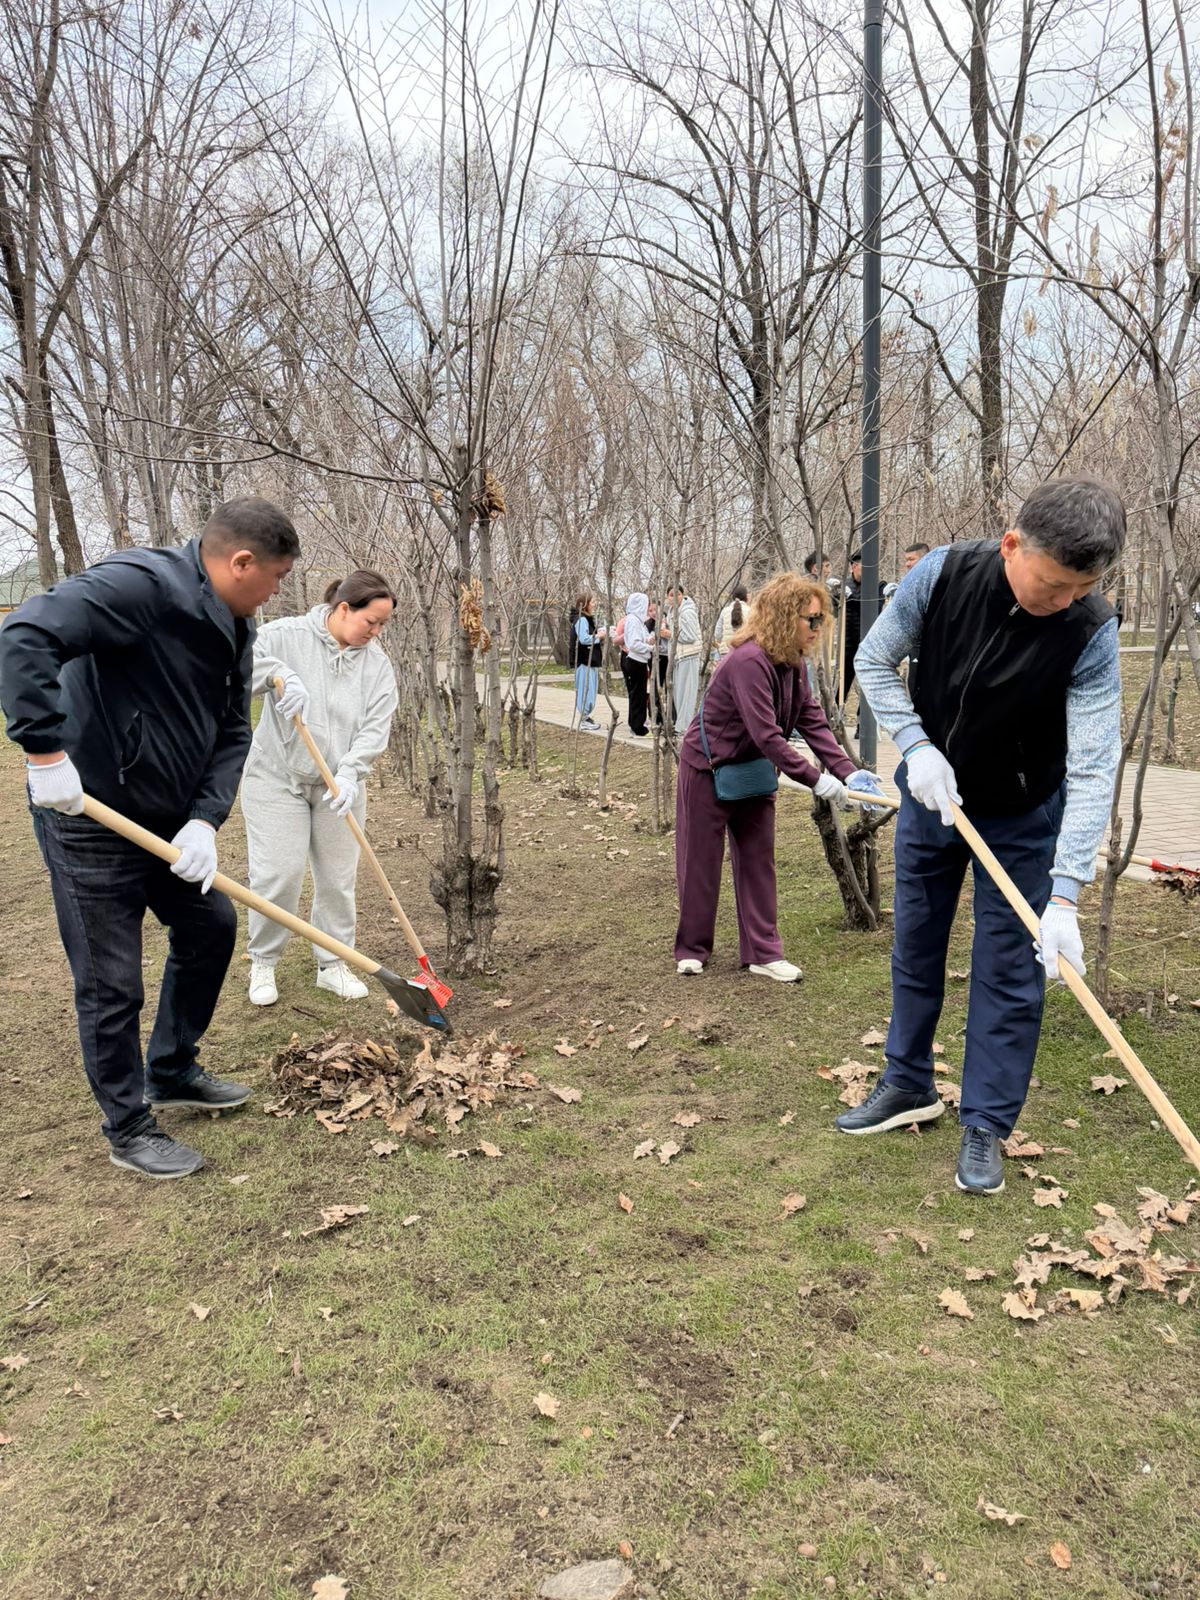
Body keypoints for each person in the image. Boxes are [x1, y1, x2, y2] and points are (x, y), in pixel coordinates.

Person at [838, 476, 1126, 1198]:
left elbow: (1093, 764)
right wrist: (913, 744)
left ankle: (988, 1122)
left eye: (1078, 589)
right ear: (1011, 546)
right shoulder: (940, 574)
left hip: (1023, 815)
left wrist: (1065, 896)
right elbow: (872, 661)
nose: (1062, 601)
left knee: (1008, 970)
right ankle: (907, 1084)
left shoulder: (1090, 631)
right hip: (934, 797)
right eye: (1053, 583)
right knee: (917, 945)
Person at [0, 497, 299, 1179]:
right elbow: (24, 635)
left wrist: (204, 818)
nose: (276, 593)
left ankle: (170, 1069)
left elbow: (232, 729)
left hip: (167, 824)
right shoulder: (139, 585)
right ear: (240, 561)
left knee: (210, 927)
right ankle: (128, 1125)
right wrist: (45, 754)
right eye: (275, 578)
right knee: (110, 982)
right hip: (89, 817)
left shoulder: (236, 621)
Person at [674, 572, 881, 981]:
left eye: (821, 620)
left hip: (752, 773)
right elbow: (766, 734)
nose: (818, 629)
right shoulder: (748, 661)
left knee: (757, 860)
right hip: (707, 769)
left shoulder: (794, 665)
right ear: (786, 618)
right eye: (811, 620)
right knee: (700, 860)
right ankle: (693, 948)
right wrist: (818, 782)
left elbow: (811, 720)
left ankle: (763, 954)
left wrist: (847, 771)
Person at [244, 570, 399, 1006]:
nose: (377, 632)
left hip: (339, 785)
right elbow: (240, 661)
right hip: (278, 778)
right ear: (343, 609)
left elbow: (374, 728)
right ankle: (264, 962)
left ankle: (332, 964)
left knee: (337, 879)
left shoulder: (377, 666)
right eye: (372, 622)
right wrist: (278, 677)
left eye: (384, 625)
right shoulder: (286, 635)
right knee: (279, 874)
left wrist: (351, 773)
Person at [668, 584, 702, 733]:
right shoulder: (671, 612)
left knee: (687, 694)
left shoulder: (687, 612)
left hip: (689, 655)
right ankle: (681, 726)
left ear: (682, 595)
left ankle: (685, 728)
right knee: (679, 694)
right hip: (679, 657)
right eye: (671, 594)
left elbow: (690, 636)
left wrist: (669, 634)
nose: (675, 598)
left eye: (678, 594)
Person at [571, 592, 605, 732]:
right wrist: (599, 636)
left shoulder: (586, 619)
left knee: (590, 689)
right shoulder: (581, 620)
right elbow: (584, 639)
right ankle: (583, 718)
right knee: (586, 689)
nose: (594, 604)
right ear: (584, 604)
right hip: (585, 660)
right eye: (592, 602)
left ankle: (586, 717)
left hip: (590, 660)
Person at [621, 592, 653, 736]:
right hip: (636, 660)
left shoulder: (637, 621)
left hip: (639, 661)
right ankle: (637, 726)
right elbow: (634, 644)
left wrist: (648, 640)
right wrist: (649, 648)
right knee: (638, 695)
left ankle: (636, 722)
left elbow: (643, 637)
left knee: (638, 694)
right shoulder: (633, 620)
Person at [714, 584, 749, 657]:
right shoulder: (750, 611)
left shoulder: (725, 611)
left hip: (725, 652)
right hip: (744, 653)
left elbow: (717, 635)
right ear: (746, 597)